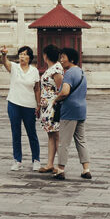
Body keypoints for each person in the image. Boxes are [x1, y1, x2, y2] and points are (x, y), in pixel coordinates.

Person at [0, 45, 41, 172]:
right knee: (16, 132)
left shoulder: (34, 71)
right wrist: (4, 54)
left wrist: (39, 104)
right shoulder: (14, 67)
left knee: (31, 133)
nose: (22, 56)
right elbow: (5, 62)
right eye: (20, 54)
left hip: (29, 105)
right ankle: (17, 160)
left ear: (30, 57)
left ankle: (36, 159)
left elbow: (37, 89)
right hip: (14, 103)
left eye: (25, 54)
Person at [52, 48, 90, 180]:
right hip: (81, 109)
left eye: (63, 57)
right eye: (60, 57)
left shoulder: (68, 73)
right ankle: (86, 168)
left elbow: (65, 92)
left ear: (71, 59)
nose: (61, 60)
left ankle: (60, 169)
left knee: (64, 141)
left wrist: (55, 99)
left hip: (69, 110)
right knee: (81, 140)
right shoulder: (81, 72)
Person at [37, 45, 64, 173]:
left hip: (53, 106)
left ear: (45, 55)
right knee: (51, 135)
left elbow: (61, 89)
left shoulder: (57, 70)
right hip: (46, 105)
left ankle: (60, 165)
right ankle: (50, 163)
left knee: (56, 135)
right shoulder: (51, 68)